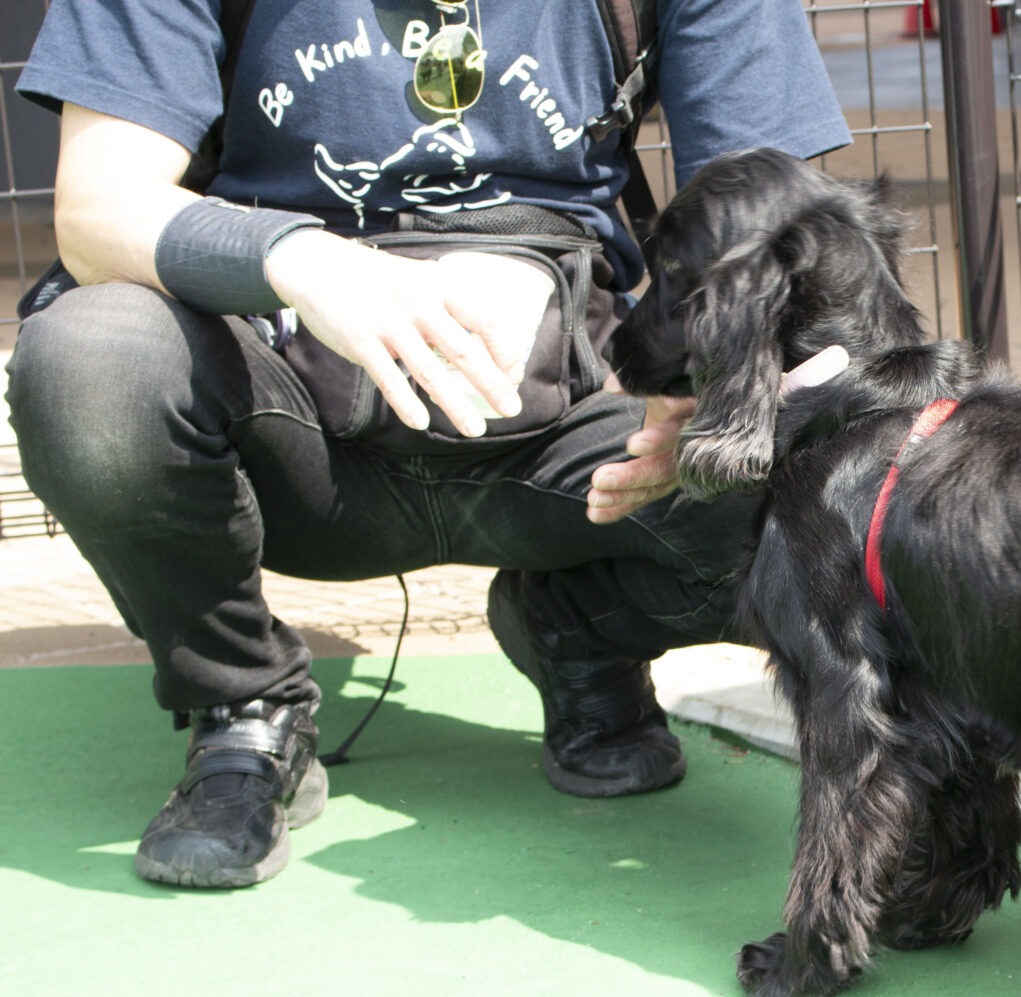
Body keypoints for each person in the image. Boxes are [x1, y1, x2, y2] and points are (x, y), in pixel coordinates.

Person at [5, 0, 852, 889]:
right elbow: (97, 211)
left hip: (587, 437)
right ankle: (244, 703)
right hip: (293, 434)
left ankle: (580, 628)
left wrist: (712, 406)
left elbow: (784, 239)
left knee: (827, 451)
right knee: (87, 358)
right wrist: (308, 261)